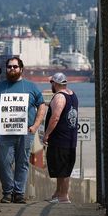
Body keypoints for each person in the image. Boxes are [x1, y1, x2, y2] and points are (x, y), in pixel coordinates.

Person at [0, 56, 46, 204]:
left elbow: (42, 105)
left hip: (25, 132)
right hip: (5, 132)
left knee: (22, 163)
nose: (12, 69)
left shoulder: (31, 87)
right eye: (9, 67)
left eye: (15, 67)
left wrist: (35, 126)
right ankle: (8, 192)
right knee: (3, 162)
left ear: (21, 69)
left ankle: (19, 193)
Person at [44, 72, 79, 203]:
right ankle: (57, 194)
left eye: (51, 82)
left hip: (59, 138)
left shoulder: (59, 97)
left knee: (63, 169)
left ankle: (63, 196)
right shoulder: (72, 94)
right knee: (62, 168)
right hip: (70, 138)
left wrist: (47, 134)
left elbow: (56, 117)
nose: (51, 85)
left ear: (56, 83)